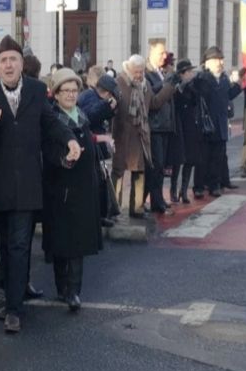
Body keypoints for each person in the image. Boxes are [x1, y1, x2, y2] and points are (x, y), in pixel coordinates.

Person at [0, 35, 80, 334]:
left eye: (13, 59)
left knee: (20, 245)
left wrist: (70, 139)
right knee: (6, 246)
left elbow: (51, 122)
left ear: (22, 63)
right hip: (0, 184)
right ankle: (13, 296)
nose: (8, 65)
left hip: (29, 183)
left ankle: (14, 310)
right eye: (3, 60)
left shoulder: (35, 90)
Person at [43, 68, 102, 311]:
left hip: (84, 188)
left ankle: (73, 291)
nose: (70, 94)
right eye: (65, 90)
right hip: (60, 189)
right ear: (56, 94)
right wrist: (64, 160)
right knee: (61, 242)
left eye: (74, 90)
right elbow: (48, 153)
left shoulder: (82, 116)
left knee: (79, 242)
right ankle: (62, 287)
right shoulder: (52, 120)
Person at [111, 54, 176, 218]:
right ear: (129, 69)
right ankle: (113, 208)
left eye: (141, 72)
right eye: (136, 72)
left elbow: (153, 103)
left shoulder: (145, 84)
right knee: (118, 172)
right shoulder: (119, 83)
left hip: (140, 134)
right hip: (123, 134)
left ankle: (137, 208)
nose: (139, 75)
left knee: (139, 171)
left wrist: (169, 87)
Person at [191, 47, 241, 196]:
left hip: (221, 124)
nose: (220, 63)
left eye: (221, 60)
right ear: (207, 63)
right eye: (216, 60)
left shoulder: (224, 79)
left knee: (217, 158)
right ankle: (199, 187)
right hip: (206, 124)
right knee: (202, 158)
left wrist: (238, 85)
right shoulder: (202, 78)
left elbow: (228, 95)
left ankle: (215, 185)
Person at [78, 72, 119, 224]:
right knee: (97, 182)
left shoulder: (92, 96)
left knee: (101, 180)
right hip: (91, 144)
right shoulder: (90, 97)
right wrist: (107, 106)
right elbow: (89, 116)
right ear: (107, 93)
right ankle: (98, 216)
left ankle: (102, 214)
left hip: (95, 145)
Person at [145, 44, 179, 214]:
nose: (164, 56)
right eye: (161, 53)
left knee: (162, 166)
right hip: (155, 126)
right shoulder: (147, 73)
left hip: (165, 125)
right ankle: (156, 201)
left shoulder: (161, 72)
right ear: (151, 53)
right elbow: (153, 98)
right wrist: (168, 83)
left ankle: (158, 200)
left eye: (165, 53)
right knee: (156, 166)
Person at [173, 59, 204, 202]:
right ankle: (174, 189)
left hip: (191, 126)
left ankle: (183, 190)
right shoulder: (175, 86)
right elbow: (176, 102)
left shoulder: (192, 87)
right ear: (182, 74)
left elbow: (196, 100)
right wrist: (181, 87)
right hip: (179, 126)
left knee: (190, 160)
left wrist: (194, 86)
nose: (191, 74)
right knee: (177, 160)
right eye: (189, 71)